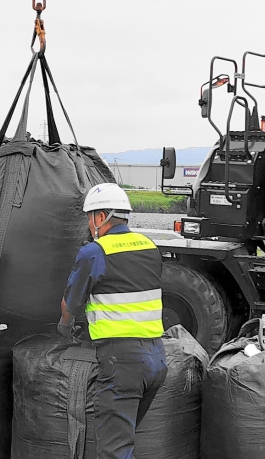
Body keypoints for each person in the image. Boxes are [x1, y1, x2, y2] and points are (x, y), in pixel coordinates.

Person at [58, 183, 167, 459]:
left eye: (89, 216)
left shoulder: (95, 252)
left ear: (101, 216)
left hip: (123, 365)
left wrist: (65, 327)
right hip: (156, 360)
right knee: (122, 440)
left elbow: (70, 304)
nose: (88, 223)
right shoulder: (150, 246)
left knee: (113, 451)